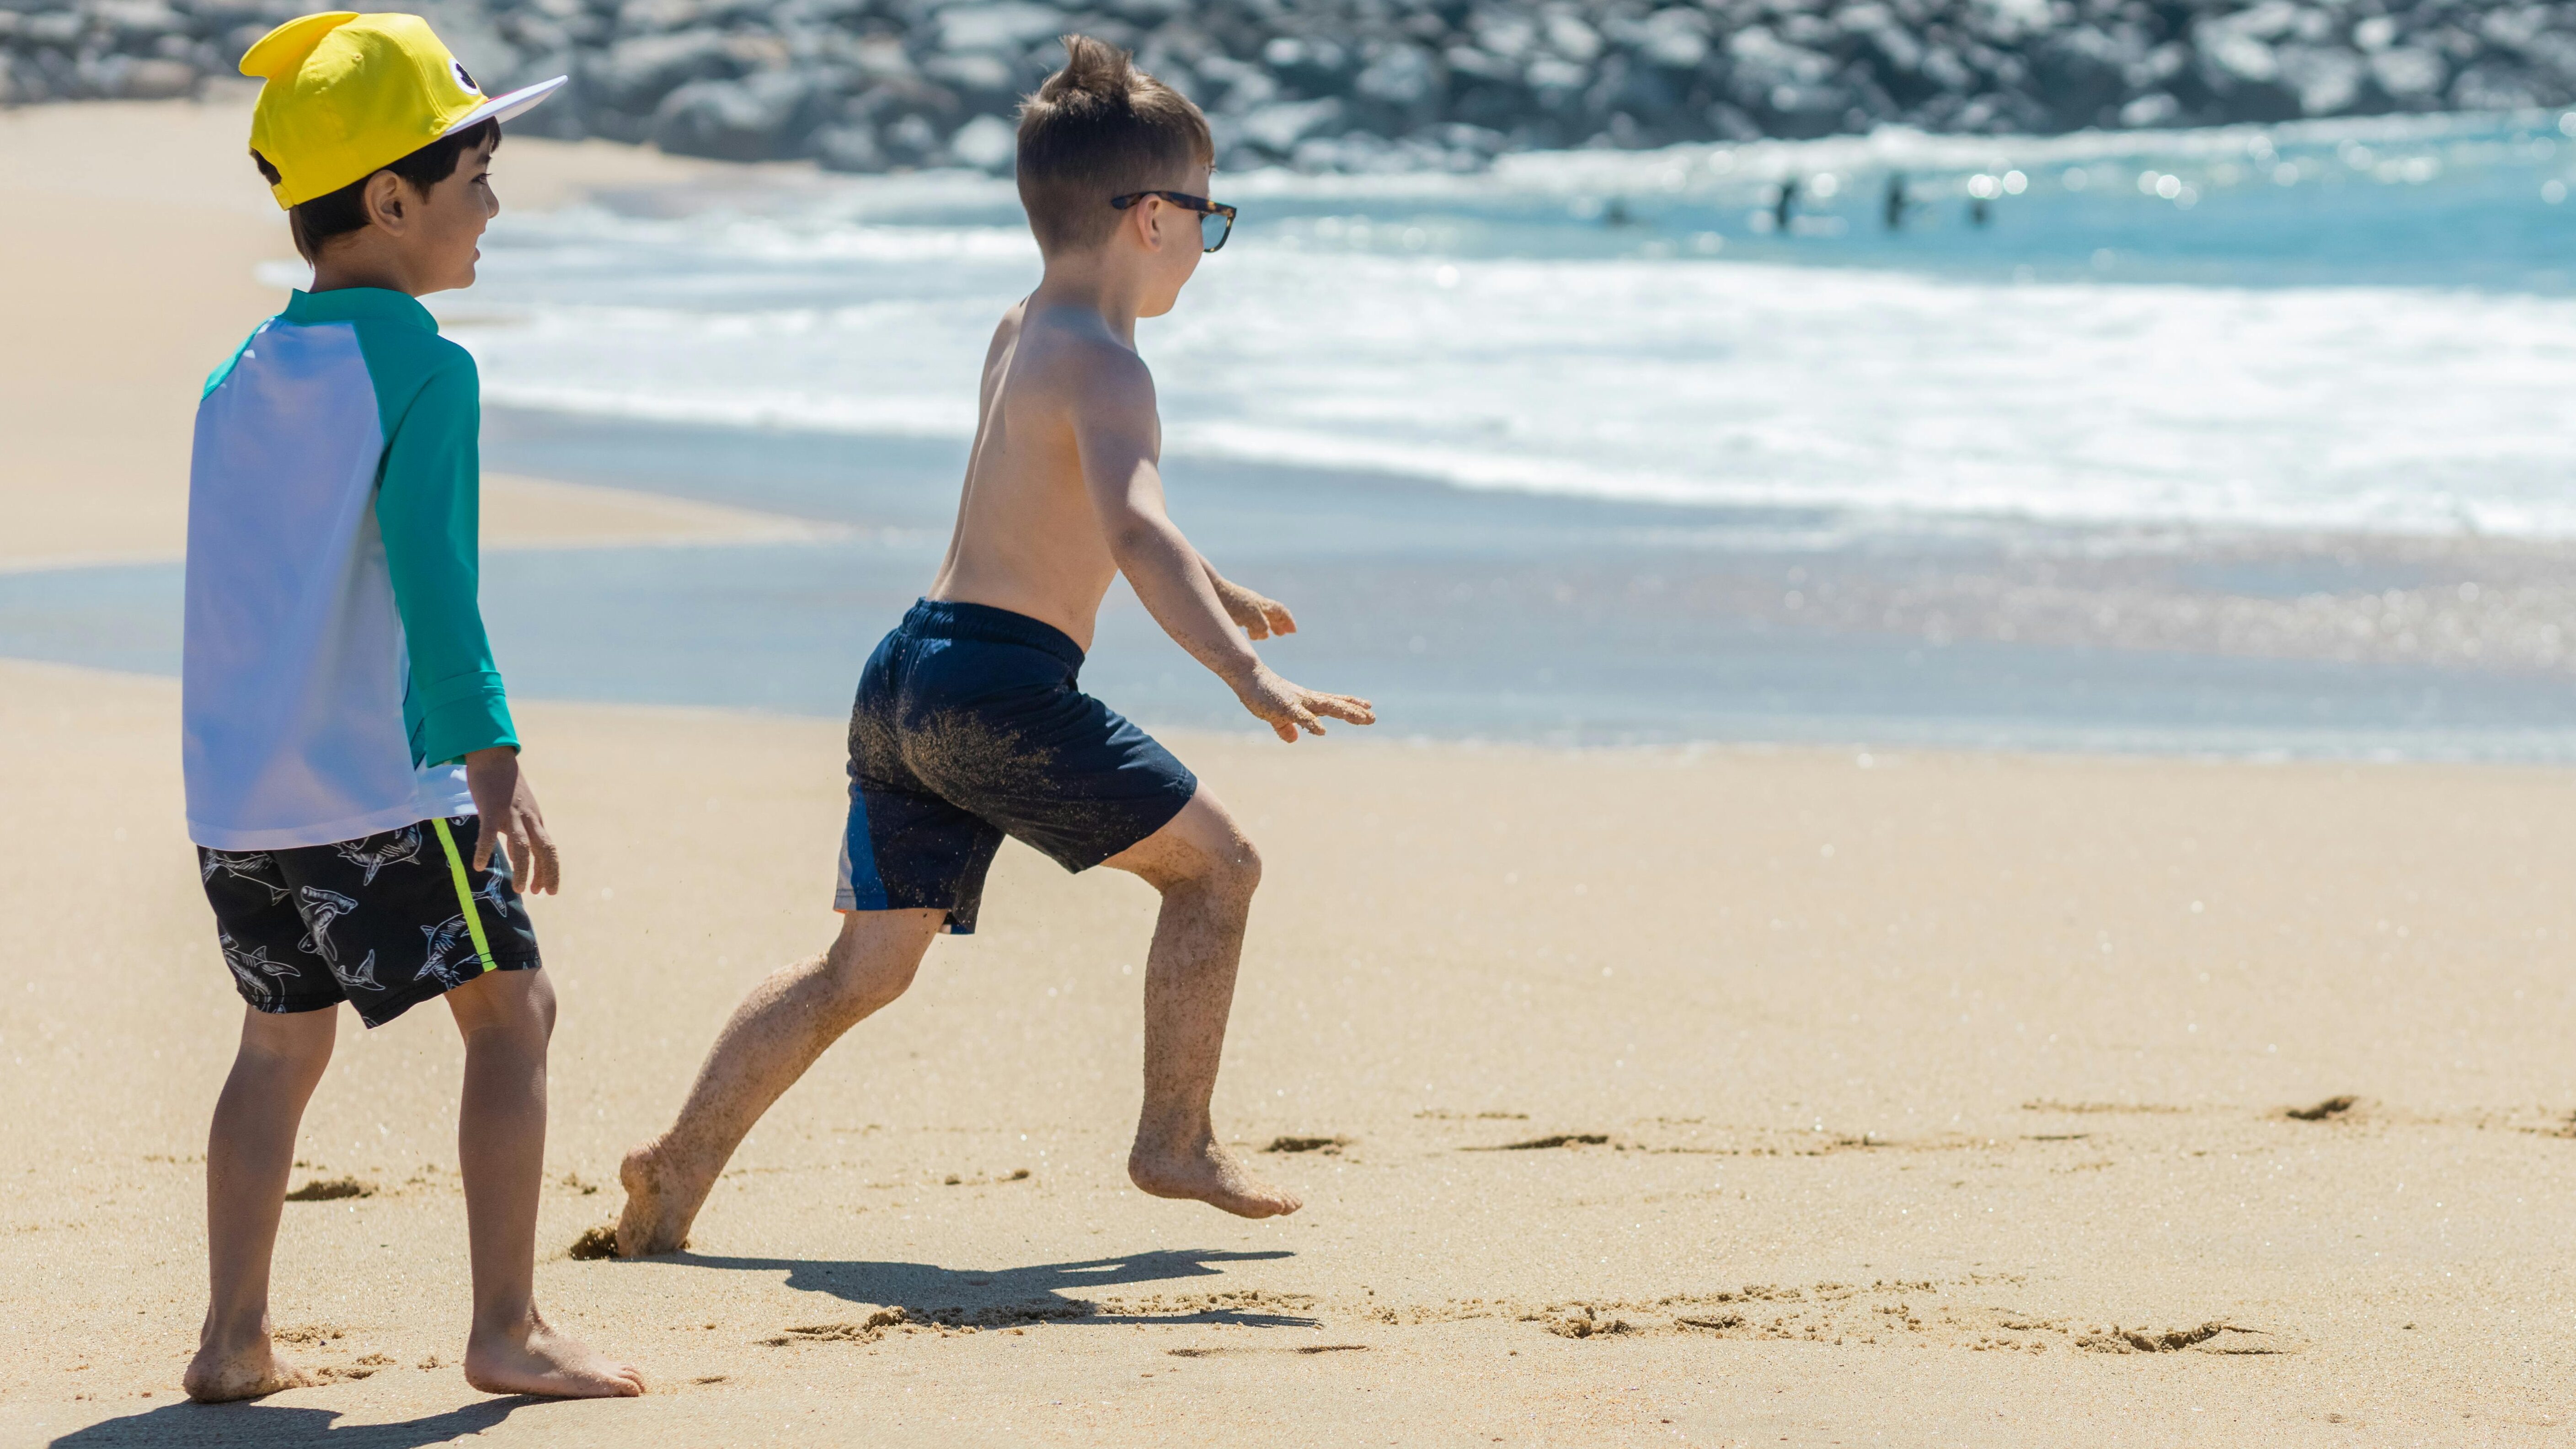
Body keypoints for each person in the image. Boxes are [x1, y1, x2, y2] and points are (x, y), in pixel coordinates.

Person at [613, 34, 1374, 1257]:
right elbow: (1132, 525)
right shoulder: (1113, 366)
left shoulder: (1023, 326)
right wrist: (1238, 664)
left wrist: (1212, 579)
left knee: (861, 968)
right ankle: (1172, 1136)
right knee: (1218, 870)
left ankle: (675, 1163)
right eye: (1206, 214)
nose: (1206, 241)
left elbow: (1060, 505)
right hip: (995, 689)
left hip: (907, 666)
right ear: (1147, 219)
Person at [180, 12, 641, 1403]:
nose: (494, 211)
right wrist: (491, 753)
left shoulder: (239, 375)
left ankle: (232, 1338)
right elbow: (438, 584)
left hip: (239, 799)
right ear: (392, 200)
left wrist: (235, 787)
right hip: (379, 786)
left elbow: (241, 599)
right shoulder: (425, 366)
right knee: (515, 1009)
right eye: (478, 181)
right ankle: (508, 1325)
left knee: (278, 1043)